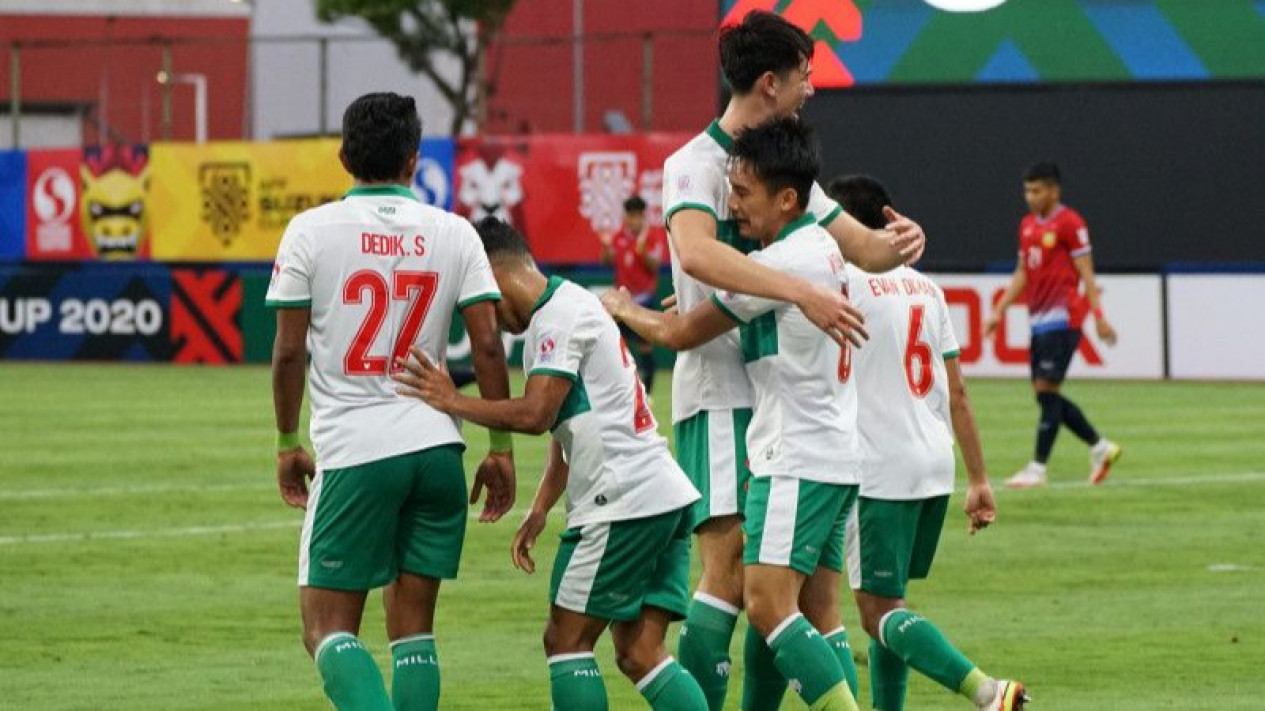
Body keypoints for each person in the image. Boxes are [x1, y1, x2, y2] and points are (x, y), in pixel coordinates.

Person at [660, 12, 927, 709]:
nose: (812, 86)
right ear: (771, 81)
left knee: (803, 589)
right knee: (727, 574)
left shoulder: (784, 170)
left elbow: (864, 249)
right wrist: (798, 290)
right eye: (805, 73)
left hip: (781, 395)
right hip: (719, 384)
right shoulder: (692, 164)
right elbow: (693, 251)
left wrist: (902, 238)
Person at [393, 217, 708, 711]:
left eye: (480, 304)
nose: (487, 321)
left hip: (620, 499)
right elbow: (571, 423)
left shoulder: (557, 317)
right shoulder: (570, 306)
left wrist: (452, 400)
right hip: (660, 492)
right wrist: (541, 507)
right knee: (641, 651)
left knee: (565, 642)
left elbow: (537, 414)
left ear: (490, 276)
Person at [267, 92, 517, 711]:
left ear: (344, 155)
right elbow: (488, 343)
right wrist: (501, 448)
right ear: (413, 160)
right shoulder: (455, 231)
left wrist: (286, 440)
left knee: (326, 630)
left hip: (357, 448)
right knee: (414, 632)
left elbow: (288, 354)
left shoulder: (310, 231)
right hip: (436, 449)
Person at [609, 117, 863, 711]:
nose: (732, 206)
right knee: (808, 607)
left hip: (792, 453)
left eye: (744, 194)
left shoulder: (782, 265)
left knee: (765, 600)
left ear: (787, 198)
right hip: (833, 453)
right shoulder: (819, 249)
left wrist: (624, 308)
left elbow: (679, 334)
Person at [826, 175, 1028, 711]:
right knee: (891, 607)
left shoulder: (842, 283)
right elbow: (956, 392)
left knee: (877, 611)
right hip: (932, 465)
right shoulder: (928, 288)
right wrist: (980, 479)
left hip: (877, 468)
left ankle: (986, 691)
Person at [984, 162, 1122, 488]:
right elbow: (1022, 272)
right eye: (1027, 191)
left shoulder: (1070, 223)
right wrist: (998, 311)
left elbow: (1086, 270)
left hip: (1063, 318)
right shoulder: (1028, 225)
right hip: (1039, 320)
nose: (1031, 197)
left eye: (1037, 190)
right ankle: (1101, 447)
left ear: (1054, 190)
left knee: (1047, 391)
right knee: (1045, 395)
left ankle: (1038, 468)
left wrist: (1099, 316)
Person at [597, 195, 666, 395]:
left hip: (643, 300)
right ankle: (618, 392)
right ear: (626, 216)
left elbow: (654, 265)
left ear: (643, 216)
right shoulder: (618, 236)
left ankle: (649, 394)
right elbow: (606, 261)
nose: (634, 220)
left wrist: (642, 251)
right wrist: (606, 246)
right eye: (630, 215)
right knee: (615, 348)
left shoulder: (651, 237)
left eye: (638, 216)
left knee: (645, 349)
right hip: (621, 300)